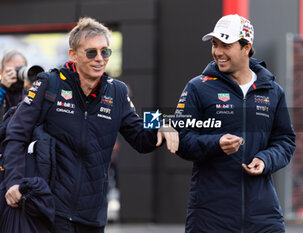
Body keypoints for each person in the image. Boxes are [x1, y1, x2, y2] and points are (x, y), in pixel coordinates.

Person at [3, 17, 178, 233]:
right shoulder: (49, 83)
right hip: (49, 210)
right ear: (73, 55)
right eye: (91, 52)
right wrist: (13, 182)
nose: (99, 59)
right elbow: (16, 134)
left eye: (105, 52)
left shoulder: (117, 91)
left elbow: (140, 137)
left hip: (92, 217)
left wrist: (162, 124)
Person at [175, 14, 296, 232]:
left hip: (263, 217)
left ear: (246, 47)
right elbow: (181, 140)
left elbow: (285, 141)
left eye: (226, 45)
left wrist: (265, 159)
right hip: (209, 217)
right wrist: (216, 143)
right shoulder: (197, 87)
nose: (218, 52)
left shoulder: (273, 91)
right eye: (214, 44)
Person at [0, 50, 31, 118]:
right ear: (1, 72)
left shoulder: (29, 89)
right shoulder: (1, 89)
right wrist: (2, 87)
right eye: (11, 70)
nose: (16, 73)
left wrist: (32, 91)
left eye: (20, 69)